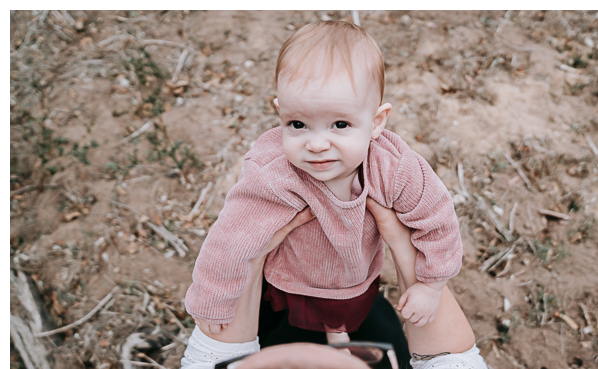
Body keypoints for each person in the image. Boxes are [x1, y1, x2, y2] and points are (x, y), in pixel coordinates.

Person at [185, 20, 463, 346]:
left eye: (340, 124)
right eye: (298, 124)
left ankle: (339, 332)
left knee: (350, 311)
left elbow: (438, 220)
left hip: (356, 276)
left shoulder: (393, 168)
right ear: (281, 115)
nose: (316, 144)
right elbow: (232, 237)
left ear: (376, 122)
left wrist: (431, 285)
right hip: (292, 276)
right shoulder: (274, 173)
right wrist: (212, 297)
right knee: (286, 323)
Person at [147, 200, 506, 369]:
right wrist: (402, 242)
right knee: (375, 315)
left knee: (276, 305)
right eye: (355, 363)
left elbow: (211, 357)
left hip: (276, 320)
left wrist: (251, 255)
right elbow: (449, 360)